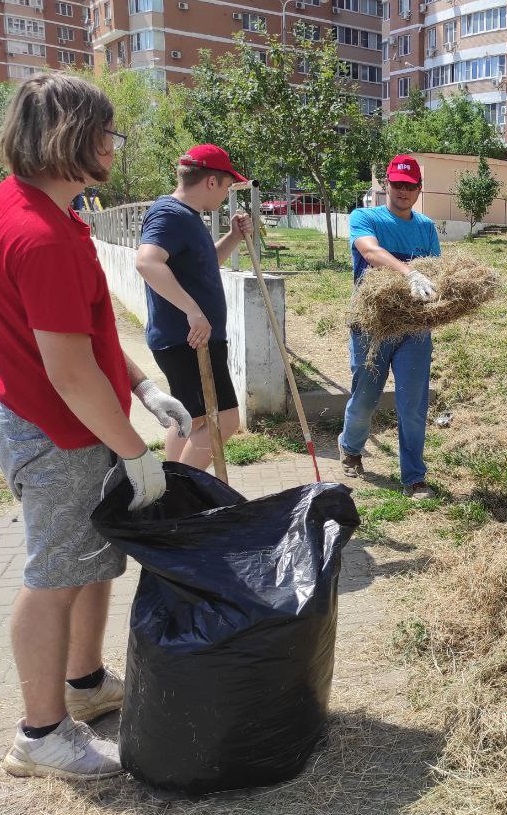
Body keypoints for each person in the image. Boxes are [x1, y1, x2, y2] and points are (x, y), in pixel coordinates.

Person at [0, 73, 192, 780]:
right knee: (54, 573)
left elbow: (93, 329)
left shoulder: (57, 213)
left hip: (81, 422)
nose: (114, 144)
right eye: (107, 131)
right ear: (71, 138)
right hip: (60, 431)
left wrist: (142, 385)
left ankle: (84, 683)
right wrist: (131, 446)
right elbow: (69, 371)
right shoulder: (40, 233)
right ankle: (42, 732)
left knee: (92, 558)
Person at [135, 144, 252, 470]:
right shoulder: (170, 214)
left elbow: (203, 265)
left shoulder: (186, 217)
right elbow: (147, 262)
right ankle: (181, 496)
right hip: (189, 339)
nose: (225, 194)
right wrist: (193, 311)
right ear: (211, 182)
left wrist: (232, 238)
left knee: (191, 420)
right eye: (227, 186)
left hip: (190, 339)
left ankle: (171, 487)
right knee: (224, 421)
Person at [339, 155, 439, 499]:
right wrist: (408, 272)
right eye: (397, 184)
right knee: (366, 396)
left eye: (410, 186)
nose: (403, 191)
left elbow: (437, 270)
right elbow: (369, 252)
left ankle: (414, 476)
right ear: (387, 184)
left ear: (418, 189)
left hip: (414, 328)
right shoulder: (365, 217)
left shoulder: (425, 226)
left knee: (413, 404)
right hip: (372, 325)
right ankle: (351, 446)